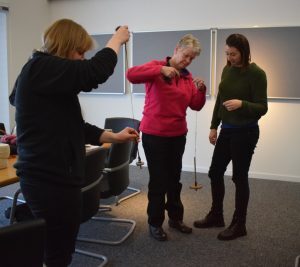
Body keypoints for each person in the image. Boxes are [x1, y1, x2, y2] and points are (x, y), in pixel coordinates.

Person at [9, 19, 139, 267]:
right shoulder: (41, 68)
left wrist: (114, 136)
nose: (81, 58)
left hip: (56, 178)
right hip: (48, 180)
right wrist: (117, 40)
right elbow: (94, 72)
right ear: (65, 46)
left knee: (59, 248)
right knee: (57, 252)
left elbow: (74, 127)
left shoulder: (46, 77)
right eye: (79, 52)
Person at [127, 34, 207, 241]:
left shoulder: (187, 78)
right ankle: (155, 222)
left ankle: (175, 218)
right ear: (176, 49)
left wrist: (201, 90)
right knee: (158, 181)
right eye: (186, 55)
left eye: (192, 58)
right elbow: (131, 74)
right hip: (155, 135)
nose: (187, 60)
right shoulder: (157, 67)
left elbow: (195, 105)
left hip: (178, 135)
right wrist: (160, 70)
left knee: (174, 179)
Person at [193, 33, 268, 241]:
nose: (230, 57)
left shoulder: (257, 74)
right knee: (215, 172)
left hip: (246, 132)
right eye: (227, 53)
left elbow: (263, 107)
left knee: (239, 177)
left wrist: (242, 104)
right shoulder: (227, 69)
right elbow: (220, 100)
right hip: (227, 130)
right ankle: (217, 215)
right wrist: (213, 126)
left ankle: (239, 224)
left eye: (233, 54)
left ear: (244, 52)